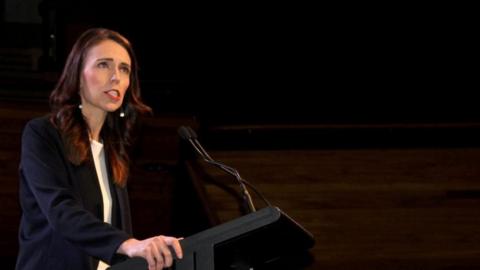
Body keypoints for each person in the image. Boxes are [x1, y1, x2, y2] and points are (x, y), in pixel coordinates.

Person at [16, 28, 183, 270]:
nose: (116, 77)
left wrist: (151, 250)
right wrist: (129, 244)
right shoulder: (42, 134)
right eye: (104, 65)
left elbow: (116, 234)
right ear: (78, 74)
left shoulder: (113, 148)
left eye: (124, 69)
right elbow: (61, 210)